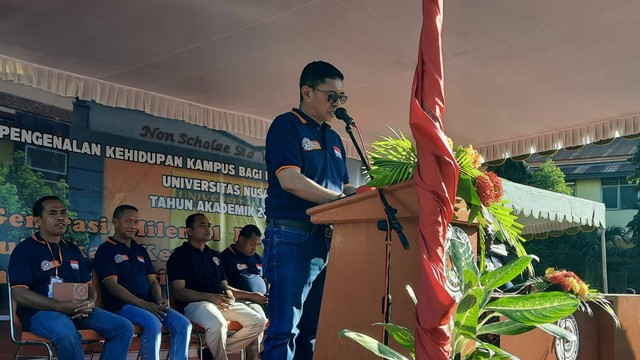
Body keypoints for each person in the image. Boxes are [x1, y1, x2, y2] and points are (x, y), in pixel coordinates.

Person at [263, 60, 356, 359]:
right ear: (306, 91)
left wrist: (375, 194)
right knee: (284, 329)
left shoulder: (335, 137)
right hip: (292, 236)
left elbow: (343, 190)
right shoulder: (286, 125)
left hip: (327, 239)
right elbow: (290, 181)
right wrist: (340, 200)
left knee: (312, 330)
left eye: (341, 97)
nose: (337, 103)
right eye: (331, 96)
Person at [8, 196, 134, 360]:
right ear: (37, 221)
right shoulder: (24, 250)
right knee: (66, 332)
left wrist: (90, 302)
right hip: (40, 312)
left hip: (77, 310)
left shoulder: (73, 249)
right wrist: (59, 306)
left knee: (123, 327)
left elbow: (88, 286)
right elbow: (19, 293)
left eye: (63, 212)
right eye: (52, 213)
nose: (60, 217)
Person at [93, 204, 192, 360]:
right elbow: (111, 285)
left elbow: (152, 281)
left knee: (183, 324)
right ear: (115, 222)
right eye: (128, 221)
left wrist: (159, 298)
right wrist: (143, 304)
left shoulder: (140, 250)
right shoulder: (106, 249)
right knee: (153, 324)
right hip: (121, 306)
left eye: (136, 222)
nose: (133, 226)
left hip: (149, 304)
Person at [166, 213, 266, 360]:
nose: (207, 229)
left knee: (258, 322)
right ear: (189, 231)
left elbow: (224, 285)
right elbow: (179, 292)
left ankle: (212, 351)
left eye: (209, 225)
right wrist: (211, 297)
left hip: (220, 302)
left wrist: (228, 294)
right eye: (202, 225)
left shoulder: (214, 256)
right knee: (218, 325)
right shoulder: (180, 255)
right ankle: (218, 354)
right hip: (196, 305)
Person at [219, 224, 269, 360]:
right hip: (241, 301)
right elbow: (223, 288)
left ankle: (267, 355)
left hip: (263, 300)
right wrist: (252, 296)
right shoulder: (224, 258)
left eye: (257, 244)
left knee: (286, 315)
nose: (255, 248)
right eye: (252, 244)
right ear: (241, 240)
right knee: (258, 319)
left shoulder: (258, 258)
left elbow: (266, 280)